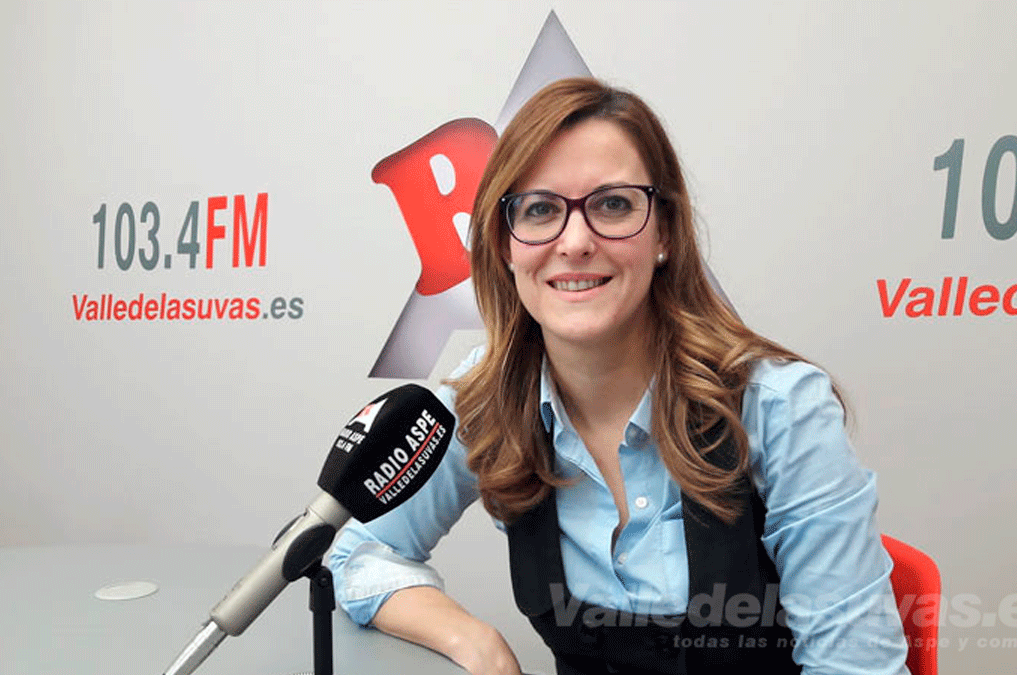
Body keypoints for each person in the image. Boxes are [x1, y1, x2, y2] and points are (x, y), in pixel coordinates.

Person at [329, 77, 910, 675]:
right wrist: (473, 643)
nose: (575, 242)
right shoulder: (487, 398)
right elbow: (357, 553)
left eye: (613, 205)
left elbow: (854, 666)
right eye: (540, 209)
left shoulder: (780, 407)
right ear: (504, 244)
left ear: (664, 233)